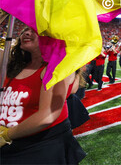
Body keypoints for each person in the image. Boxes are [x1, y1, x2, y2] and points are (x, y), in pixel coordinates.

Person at [0, 27, 86, 164]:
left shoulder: (55, 67)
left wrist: (6, 135)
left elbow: (47, 115)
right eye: (24, 30)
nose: (26, 33)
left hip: (39, 146)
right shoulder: (15, 64)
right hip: (12, 145)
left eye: (35, 30)